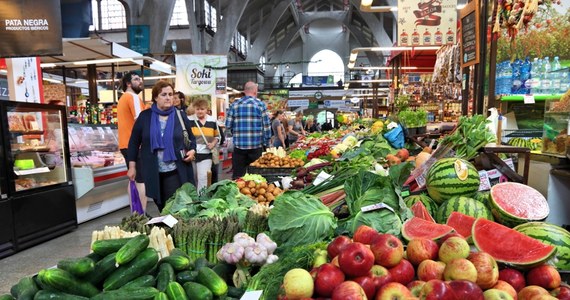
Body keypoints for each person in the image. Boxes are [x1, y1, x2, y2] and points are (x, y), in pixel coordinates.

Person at [127, 80, 197, 212]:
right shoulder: (145, 117)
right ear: (155, 97)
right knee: (160, 204)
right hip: (152, 171)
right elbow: (134, 142)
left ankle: (173, 229)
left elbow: (192, 139)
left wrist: (192, 151)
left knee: (172, 206)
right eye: (164, 94)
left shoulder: (179, 115)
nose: (168, 98)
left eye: (170, 94)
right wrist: (132, 167)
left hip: (175, 169)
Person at [225, 81, 271, 179]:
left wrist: (236, 133)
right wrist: (267, 144)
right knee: (256, 177)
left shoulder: (234, 105)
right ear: (255, 91)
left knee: (238, 177)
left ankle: (237, 193)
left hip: (239, 148)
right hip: (256, 148)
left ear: (244, 91)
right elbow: (266, 127)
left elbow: (228, 125)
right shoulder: (260, 105)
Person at [117, 71, 148, 212]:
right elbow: (140, 121)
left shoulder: (122, 98)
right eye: (136, 79)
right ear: (128, 83)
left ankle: (135, 212)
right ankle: (141, 215)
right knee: (142, 181)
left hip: (125, 144)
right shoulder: (133, 97)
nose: (140, 81)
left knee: (133, 180)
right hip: (136, 145)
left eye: (140, 79)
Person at [189, 99, 221, 193]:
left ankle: (201, 200)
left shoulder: (212, 120)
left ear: (207, 109)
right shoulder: (189, 120)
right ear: (194, 109)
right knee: (193, 178)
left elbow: (217, 136)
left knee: (203, 178)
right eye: (197, 109)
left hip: (206, 153)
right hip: (192, 153)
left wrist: (213, 144)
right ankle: (192, 199)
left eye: (202, 109)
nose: (200, 111)